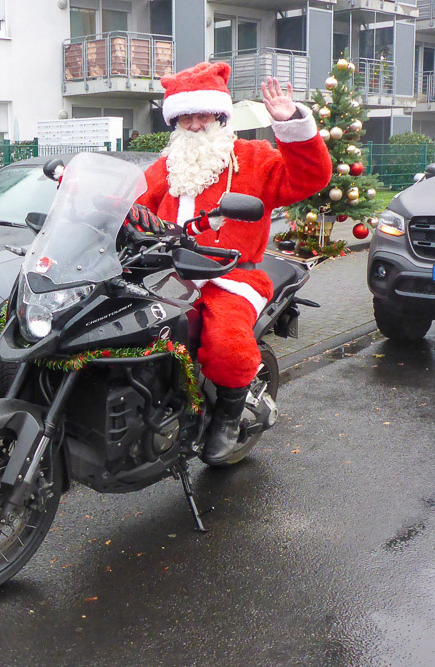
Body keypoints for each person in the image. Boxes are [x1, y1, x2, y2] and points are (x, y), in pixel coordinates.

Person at [126, 61, 331, 464]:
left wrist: (291, 124)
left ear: (219, 116)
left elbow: (309, 179)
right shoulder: (167, 166)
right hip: (166, 275)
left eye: (203, 115)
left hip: (231, 276)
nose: (195, 124)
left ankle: (228, 416)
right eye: (186, 117)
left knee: (227, 344)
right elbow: (130, 203)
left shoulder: (251, 158)